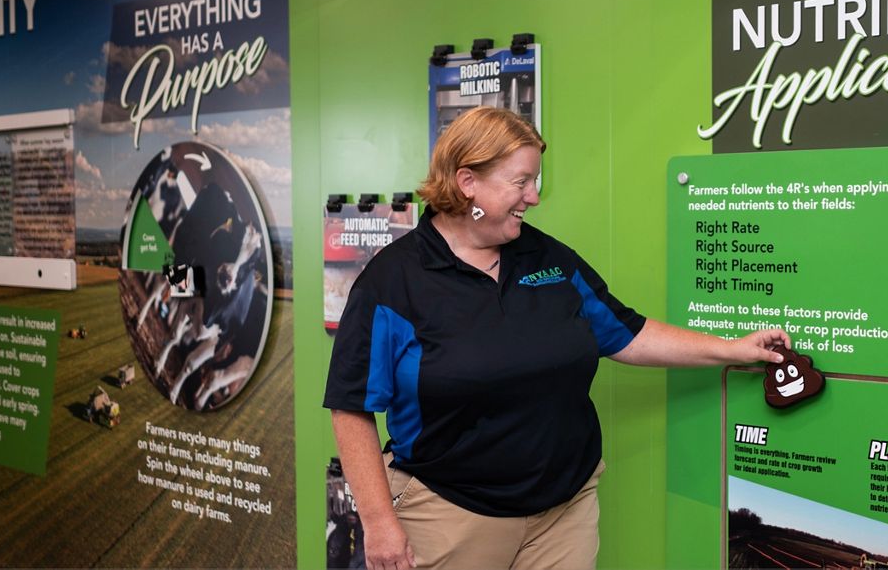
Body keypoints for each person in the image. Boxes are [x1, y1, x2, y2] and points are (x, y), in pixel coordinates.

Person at [324, 107, 790, 570]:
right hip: (450, 513)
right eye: (521, 182)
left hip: (565, 512)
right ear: (468, 183)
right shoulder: (394, 281)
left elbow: (626, 333)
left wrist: (732, 349)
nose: (534, 197)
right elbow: (351, 406)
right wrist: (379, 521)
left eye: (536, 181)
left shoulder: (547, 257)